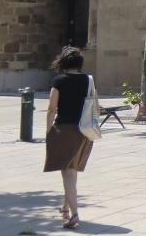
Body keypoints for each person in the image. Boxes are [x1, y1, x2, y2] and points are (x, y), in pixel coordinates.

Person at [44, 46, 98, 229]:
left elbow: (52, 108)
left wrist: (48, 129)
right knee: (72, 169)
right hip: (84, 131)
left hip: (64, 129)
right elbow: (96, 109)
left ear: (62, 63)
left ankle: (74, 214)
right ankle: (65, 208)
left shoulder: (59, 80)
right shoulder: (88, 80)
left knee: (67, 171)